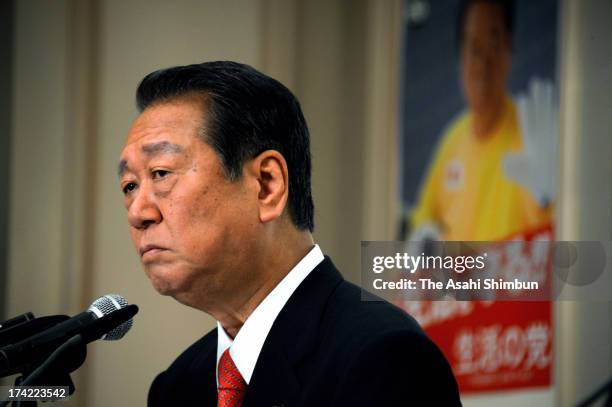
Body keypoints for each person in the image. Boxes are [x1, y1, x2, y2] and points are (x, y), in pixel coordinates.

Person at [118, 61, 461, 406]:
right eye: (129, 185)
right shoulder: (177, 386)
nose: (137, 212)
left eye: (161, 172)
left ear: (267, 185)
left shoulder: (384, 359)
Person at [409, 0, 554, 242]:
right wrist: (423, 239)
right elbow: (423, 221)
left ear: (509, 52)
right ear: (461, 58)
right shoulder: (452, 140)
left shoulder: (532, 135)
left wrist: (548, 201)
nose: (483, 64)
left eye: (493, 45)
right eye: (474, 48)